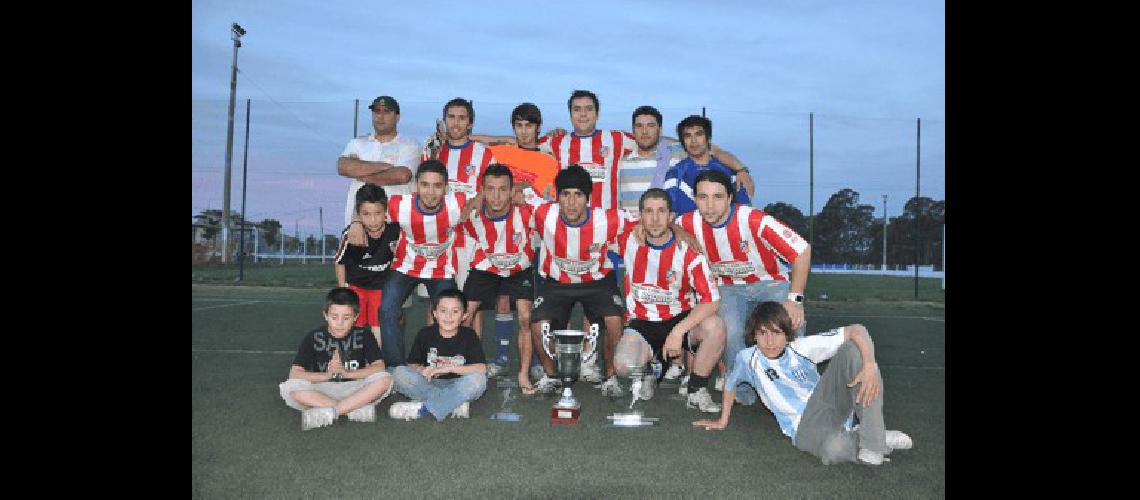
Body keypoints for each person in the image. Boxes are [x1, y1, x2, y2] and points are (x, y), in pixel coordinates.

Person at [692, 301, 913, 465]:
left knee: (854, 350)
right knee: (833, 450)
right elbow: (730, 384)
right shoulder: (747, 359)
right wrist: (722, 420)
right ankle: (874, 435)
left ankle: (873, 444)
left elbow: (857, 329)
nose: (770, 341)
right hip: (803, 427)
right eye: (763, 333)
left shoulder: (802, 348)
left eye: (777, 333)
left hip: (827, 404)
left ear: (787, 334)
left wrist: (870, 364)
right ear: (754, 335)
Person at [676, 170, 811, 407]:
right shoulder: (688, 222)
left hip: (769, 282)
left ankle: (794, 384)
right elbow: (667, 222)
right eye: (702, 198)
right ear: (695, 199)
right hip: (729, 287)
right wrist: (679, 232)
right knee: (731, 331)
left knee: (790, 325)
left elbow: (802, 250)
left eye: (717, 197)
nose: (710, 206)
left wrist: (795, 299)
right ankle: (744, 389)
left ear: (730, 198)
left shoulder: (754, 220)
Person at [346, 160, 474, 367]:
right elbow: (369, 208)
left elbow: (484, 196)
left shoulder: (457, 203)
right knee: (387, 309)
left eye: (437, 185)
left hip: (440, 269)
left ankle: (445, 363)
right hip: (406, 266)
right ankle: (396, 367)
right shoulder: (399, 205)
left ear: (446, 187)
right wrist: (355, 222)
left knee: (450, 310)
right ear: (416, 185)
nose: (430, 192)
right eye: (425, 185)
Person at [611, 189, 725, 413]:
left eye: (661, 212)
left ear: (671, 217)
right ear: (640, 215)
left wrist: (677, 332)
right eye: (649, 212)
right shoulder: (628, 238)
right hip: (643, 321)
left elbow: (711, 301)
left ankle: (696, 389)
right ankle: (651, 371)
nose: (655, 219)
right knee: (623, 366)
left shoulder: (689, 250)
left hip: (679, 318)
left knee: (716, 327)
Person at [457, 165, 539, 389]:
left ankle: (524, 373)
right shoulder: (471, 213)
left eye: (503, 190)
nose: (496, 196)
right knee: (463, 314)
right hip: (486, 268)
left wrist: (525, 188)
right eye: (490, 190)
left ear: (512, 191)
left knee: (525, 316)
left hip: (518, 268)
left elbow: (541, 192)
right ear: (482, 191)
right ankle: (467, 367)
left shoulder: (526, 210)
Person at [278, 287, 394, 430]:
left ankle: (333, 411)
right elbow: (295, 373)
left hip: (356, 387)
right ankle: (352, 409)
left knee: (385, 379)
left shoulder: (364, 335)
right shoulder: (313, 337)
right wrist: (328, 375)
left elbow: (379, 366)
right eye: (334, 317)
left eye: (346, 318)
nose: (339, 323)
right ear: (325, 315)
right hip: (322, 389)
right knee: (291, 386)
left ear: (356, 316)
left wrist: (346, 373)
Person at [335, 95, 420, 288]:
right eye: (376, 112)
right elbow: (343, 166)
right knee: (356, 292)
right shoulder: (358, 142)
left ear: (397, 117)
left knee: (394, 299)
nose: (380, 117)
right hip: (360, 224)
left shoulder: (409, 144)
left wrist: (362, 173)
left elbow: (401, 175)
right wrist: (384, 167)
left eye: (387, 112)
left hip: (395, 229)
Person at [389, 289, 488, 421]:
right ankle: (453, 403)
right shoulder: (425, 334)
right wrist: (422, 370)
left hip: (458, 383)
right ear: (435, 313)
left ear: (464, 315)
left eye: (455, 312)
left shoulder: (469, 335)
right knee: (399, 373)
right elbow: (412, 364)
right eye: (443, 311)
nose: (449, 316)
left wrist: (449, 369)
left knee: (478, 380)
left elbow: (481, 368)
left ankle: (425, 408)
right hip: (429, 383)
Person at [334, 184, 401, 347]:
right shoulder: (351, 234)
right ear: (358, 214)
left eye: (377, 213)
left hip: (380, 287)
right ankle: (351, 356)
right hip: (356, 286)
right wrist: (343, 288)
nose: (373, 220)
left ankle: (376, 358)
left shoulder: (395, 230)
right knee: (354, 323)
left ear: (385, 211)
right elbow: (339, 262)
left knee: (378, 325)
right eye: (366, 214)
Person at [663, 115, 752, 216]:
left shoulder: (729, 172)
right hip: (688, 230)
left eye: (699, 134)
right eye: (688, 136)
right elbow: (670, 217)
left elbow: (745, 212)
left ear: (708, 138)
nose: (694, 141)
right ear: (683, 142)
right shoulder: (674, 174)